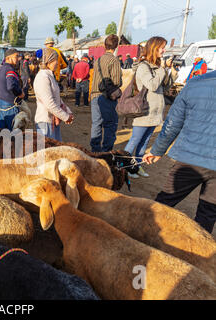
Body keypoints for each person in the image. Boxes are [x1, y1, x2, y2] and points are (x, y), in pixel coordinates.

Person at [142, 70, 216, 234]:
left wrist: (158, 150)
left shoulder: (195, 83)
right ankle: (198, 252)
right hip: (194, 157)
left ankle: (144, 234)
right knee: (208, 214)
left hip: (190, 157)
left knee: (164, 202)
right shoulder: (195, 83)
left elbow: (173, 123)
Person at [124, 37, 178, 179]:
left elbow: (163, 87)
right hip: (144, 112)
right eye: (162, 47)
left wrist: (171, 72)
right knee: (134, 141)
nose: (164, 50)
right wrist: (162, 68)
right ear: (154, 48)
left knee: (144, 143)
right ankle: (124, 167)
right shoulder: (143, 67)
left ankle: (137, 166)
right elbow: (152, 85)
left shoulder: (156, 67)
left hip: (155, 114)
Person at [89, 34, 122, 152]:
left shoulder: (97, 60)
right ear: (116, 46)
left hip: (94, 96)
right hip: (106, 97)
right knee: (110, 125)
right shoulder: (114, 60)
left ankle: (95, 151)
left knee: (96, 124)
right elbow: (117, 81)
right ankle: (106, 152)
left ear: (104, 45)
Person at [34, 47, 74, 141]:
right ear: (49, 61)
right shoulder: (42, 77)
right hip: (45, 122)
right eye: (56, 60)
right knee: (47, 153)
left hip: (52, 121)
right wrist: (65, 117)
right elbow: (49, 103)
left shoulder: (50, 76)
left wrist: (67, 110)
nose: (58, 63)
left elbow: (57, 98)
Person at [0, 49, 25, 130]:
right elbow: (11, 86)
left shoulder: (0, 70)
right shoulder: (10, 70)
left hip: (2, 102)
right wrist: (20, 93)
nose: (18, 58)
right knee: (13, 132)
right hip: (10, 104)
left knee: (3, 132)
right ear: (8, 58)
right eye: (16, 56)